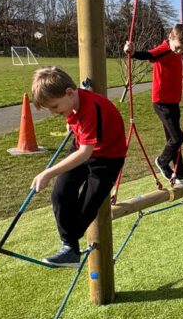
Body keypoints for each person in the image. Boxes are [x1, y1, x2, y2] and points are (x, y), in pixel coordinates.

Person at [30, 66, 128, 267]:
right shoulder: (73, 100)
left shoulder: (90, 109)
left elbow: (85, 153)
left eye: (55, 107)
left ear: (68, 92)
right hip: (83, 147)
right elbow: (78, 125)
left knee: (86, 208)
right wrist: (70, 121)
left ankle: (71, 245)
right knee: (60, 193)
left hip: (107, 159)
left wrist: (48, 172)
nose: (54, 112)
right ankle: (69, 247)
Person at [125, 23, 183, 185]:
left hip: (173, 102)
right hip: (162, 102)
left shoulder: (176, 52)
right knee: (177, 138)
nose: (180, 52)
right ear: (170, 37)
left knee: (173, 139)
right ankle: (162, 161)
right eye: (178, 48)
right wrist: (132, 52)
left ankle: (179, 171)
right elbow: (148, 54)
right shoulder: (164, 49)